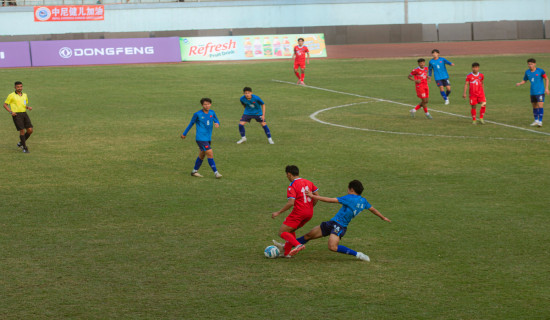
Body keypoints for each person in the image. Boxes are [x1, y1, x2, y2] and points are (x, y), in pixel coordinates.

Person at [281, 180, 391, 262]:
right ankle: (286, 246)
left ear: (352, 189)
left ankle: (358, 254)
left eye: (348, 189)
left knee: (332, 247)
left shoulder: (349, 198)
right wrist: (383, 217)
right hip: (332, 223)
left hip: (340, 226)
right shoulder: (364, 201)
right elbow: (373, 210)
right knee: (308, 235)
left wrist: (312, 196)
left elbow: (330, 200)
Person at [271, 165, 319, 257]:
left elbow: (291, 203)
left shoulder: (292, 185)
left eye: (286, 175)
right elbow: (316, 195)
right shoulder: (308, 182)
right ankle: (286, 253)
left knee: (282, 232)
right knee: (290, 229)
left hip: (298, 213)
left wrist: (278, 212)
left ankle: (298, 245)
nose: (286, 176)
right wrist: (310, 206)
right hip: (309, 213)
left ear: (289, 174)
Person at [181, 98, 222, 178]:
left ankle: (194, 171)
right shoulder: (197, 114)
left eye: (208, 104)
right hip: (200, 138)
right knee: (209, 153)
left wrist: (217, 123)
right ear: (202, 105)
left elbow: (216, 120)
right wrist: (184, 133)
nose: (207, 106)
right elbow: (191, 124)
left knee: (202, 154)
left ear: (210, 104)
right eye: (205, 104)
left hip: (208, 138)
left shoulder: (212, 112)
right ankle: (216, 173)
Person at [516, 58, 549, 127]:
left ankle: (540, 121)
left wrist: (546, 89)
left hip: (540, 91)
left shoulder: (540, 71)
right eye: (529, 64)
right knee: (534, 106)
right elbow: (525, 80)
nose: (530, 65)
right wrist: (520, 83)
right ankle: (536, 120)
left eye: (531, 64)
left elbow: (546, 79)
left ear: (534, 64)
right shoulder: (527, 72)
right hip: (532, 92)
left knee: (540, 105)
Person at [4, 81, 33, 153]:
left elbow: (23, 104)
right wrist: (11, 112)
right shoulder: (11, 95)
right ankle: (24, 148)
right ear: (15, 87)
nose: (20, 88)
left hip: (24, 114)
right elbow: (5, 105)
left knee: (30, 130)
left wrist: (27, 107)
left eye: (21, 87)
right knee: (22, 130)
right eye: (18, 87)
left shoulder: (25, 95)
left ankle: (21, 143)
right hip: (17, 115)